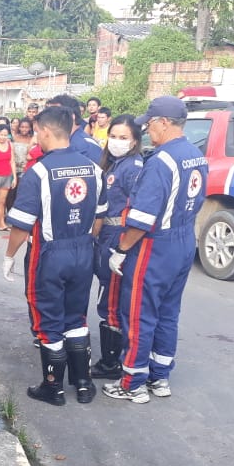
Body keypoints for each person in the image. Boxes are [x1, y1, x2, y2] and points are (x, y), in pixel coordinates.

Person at [102, 97, 208, 403]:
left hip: (155, 246)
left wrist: (121, 250)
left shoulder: (160, 162)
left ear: (164, 122)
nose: (148, 129)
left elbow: (142, 219)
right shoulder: (195, 155)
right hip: (184, 240)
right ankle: (160, 377)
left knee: (138, 313)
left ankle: (132, 381)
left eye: (150, 124)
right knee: (168, 312)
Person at [2, 106, 105, 406]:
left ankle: (53, 387)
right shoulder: (94, 169)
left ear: (45, 131)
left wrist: (9, 256)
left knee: (48, 319)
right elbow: (100, 215)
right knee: (76, 316)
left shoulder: (39, 172)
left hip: (50, 253)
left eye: (37, 132)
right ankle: (83, 384)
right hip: (84, 250)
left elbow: (21, 225)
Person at [90, 115, 144, 380]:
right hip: (106, 234)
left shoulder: (132, 167)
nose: (117, 142)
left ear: (134, 141)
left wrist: (121, 247)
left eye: (124, 138)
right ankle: (112, 358)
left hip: (117, 236)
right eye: (114, 136)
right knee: (106, 293)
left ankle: (111, 363)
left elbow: (137, 208)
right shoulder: (114, 164)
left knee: (111, 300)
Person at [48, 94, 103, 164]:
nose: (49, 119)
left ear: (71, 116)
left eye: (55, 114)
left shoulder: (84, 147)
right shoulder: (66, 141)